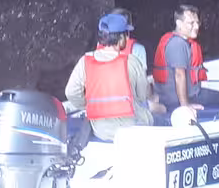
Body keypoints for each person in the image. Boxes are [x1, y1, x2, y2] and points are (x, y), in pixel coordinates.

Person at [66, 12, 158, 140]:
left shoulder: (85, 61)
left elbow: (71, 92)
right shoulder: (132, 61)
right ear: (120, 38)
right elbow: (142, 96)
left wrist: (88, 105)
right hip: (131, 127)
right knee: (158, 117)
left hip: (101, 130)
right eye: (126, 34)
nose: (127, 38)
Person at [153, 4, 219, 115]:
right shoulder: (177, 44)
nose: (196, 27)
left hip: (178, 96)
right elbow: (179, 75)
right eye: (191, 23)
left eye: (197, 23)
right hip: (178, 100)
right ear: (179, 24)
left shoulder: (182, 41)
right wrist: (185, 106)